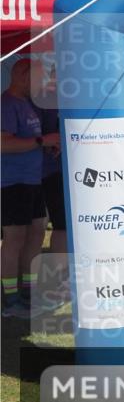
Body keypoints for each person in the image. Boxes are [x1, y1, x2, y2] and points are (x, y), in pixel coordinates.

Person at [1, 59, 58, 318]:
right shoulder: (7, 104)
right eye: (37, 78)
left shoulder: (26, 105)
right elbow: (4, 144)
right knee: (14, 240)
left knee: (36, 235)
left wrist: (46, 144)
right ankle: (11, 301)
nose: (40, 84)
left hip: (33, 180)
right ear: (23, 76)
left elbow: (30, 140)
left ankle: (28, 293)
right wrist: (42, 140)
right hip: (13, 183)